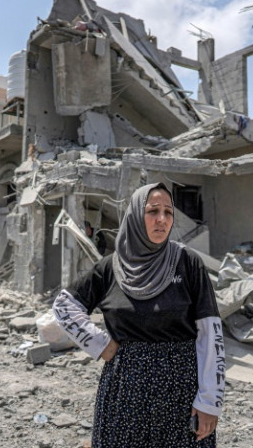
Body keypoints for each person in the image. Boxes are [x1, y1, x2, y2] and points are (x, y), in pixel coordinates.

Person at [53, 182, 225, 447]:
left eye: (168, 212)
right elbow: (64, 306)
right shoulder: (110, 268)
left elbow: (210, 333)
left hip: (180, 390)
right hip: (124, 391)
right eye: (153, 210)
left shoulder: (187, 263)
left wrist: (209, 401)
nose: (162, 219)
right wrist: (101, 345)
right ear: (134, 215)